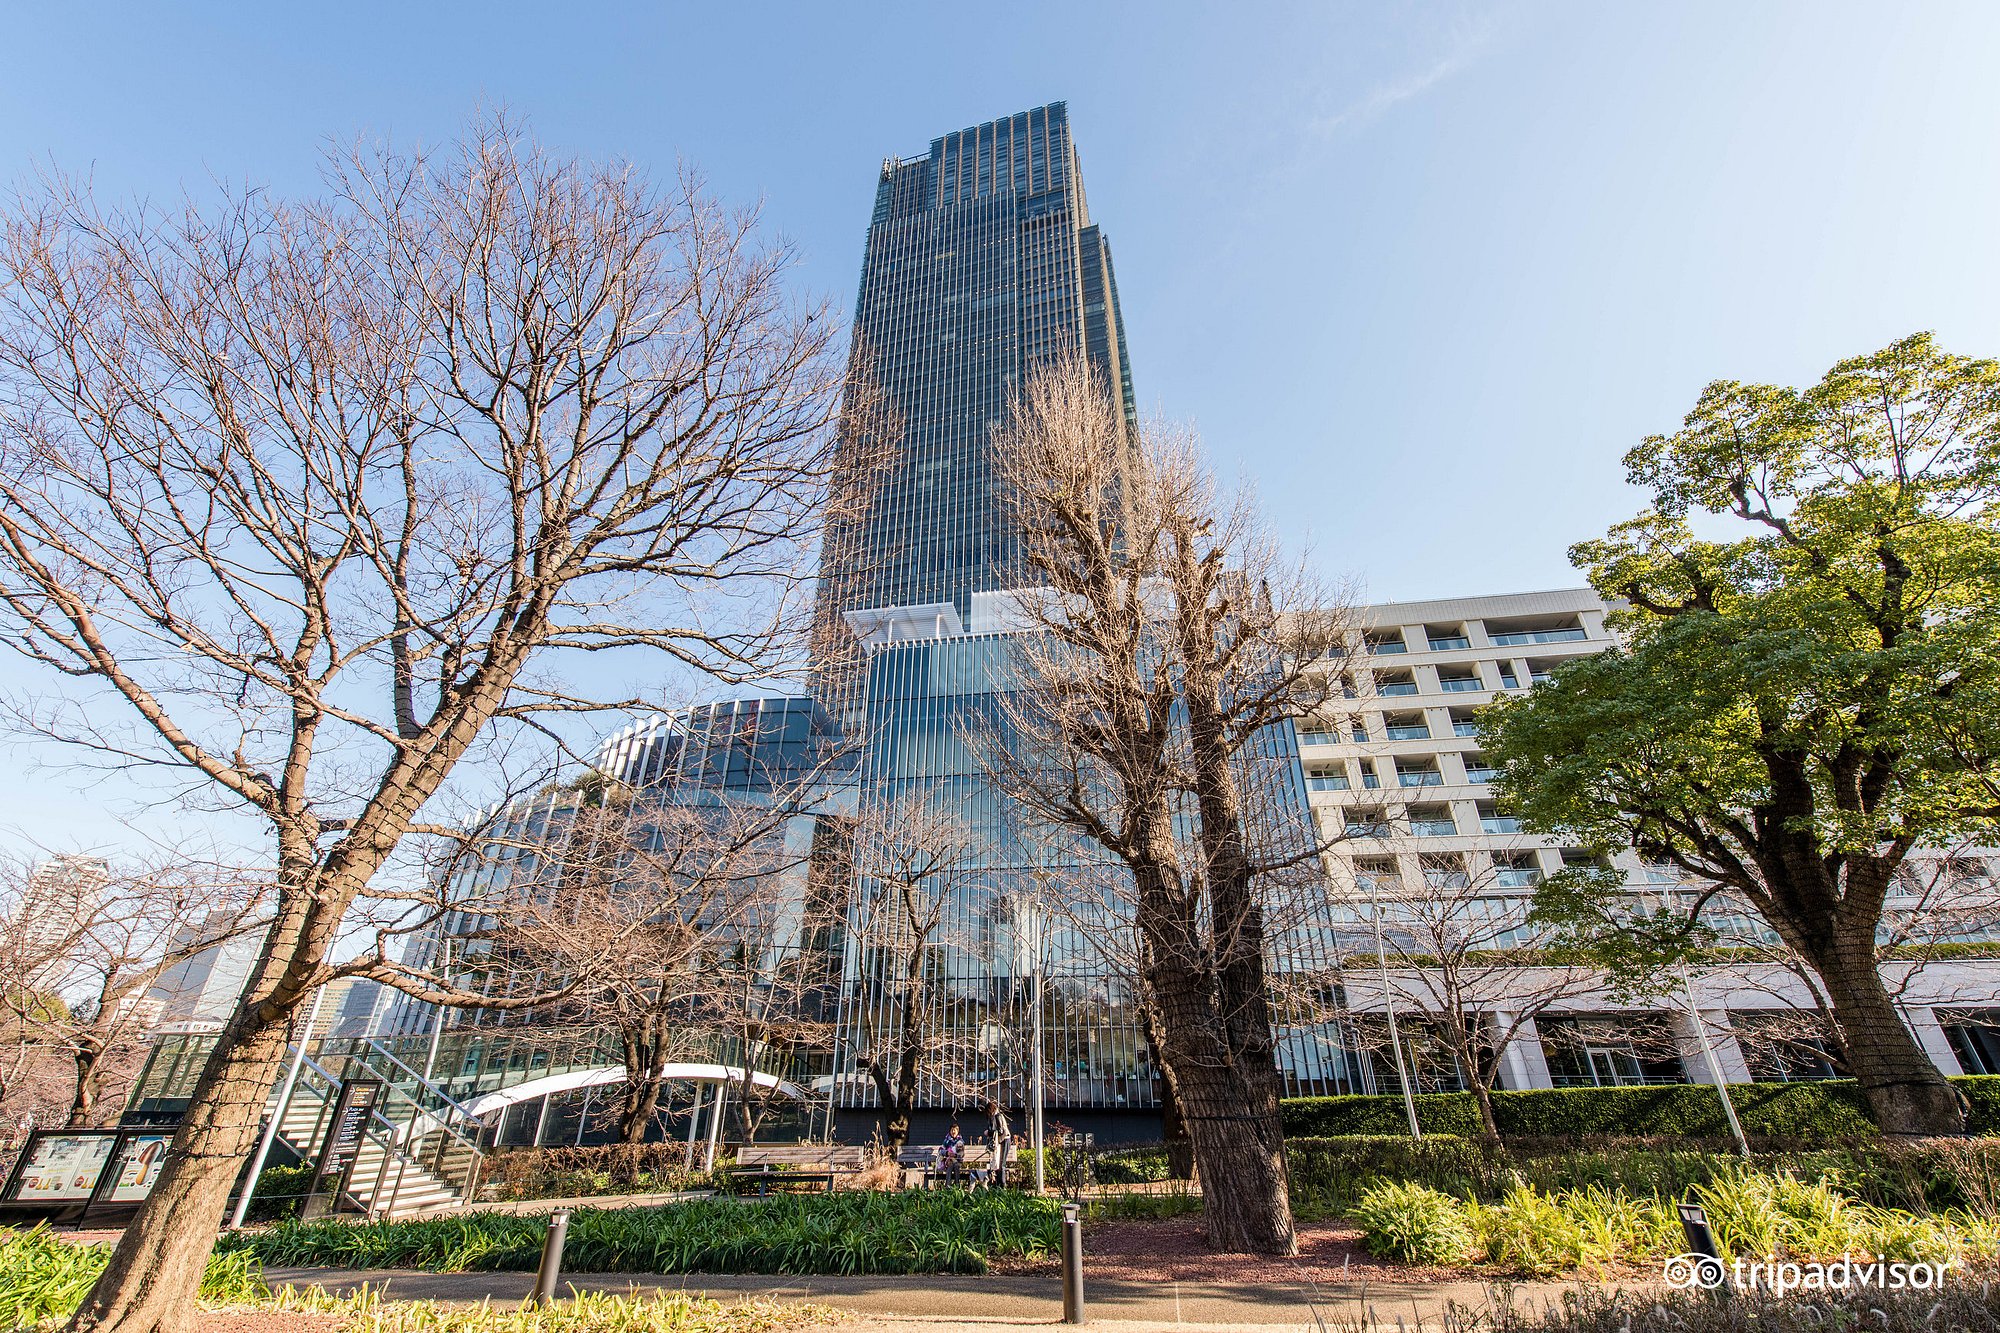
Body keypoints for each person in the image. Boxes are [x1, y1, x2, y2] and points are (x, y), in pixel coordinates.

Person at [984, 1099, 1015, 1189]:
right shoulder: (993, 1117)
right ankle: (998, 1184)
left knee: (1001, 1163)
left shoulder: (998, 1116)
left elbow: (1001, 1131)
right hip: (999, 1141)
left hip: (1004, 1140)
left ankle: (1002, 1185)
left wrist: (989, 1132)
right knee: (997, 1163)